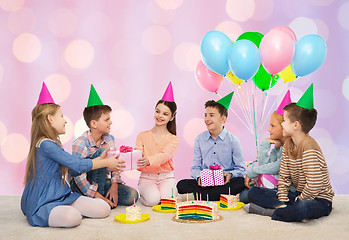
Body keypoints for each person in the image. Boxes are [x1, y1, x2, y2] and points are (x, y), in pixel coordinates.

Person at [21, 83, 124, 227]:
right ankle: (58, 212)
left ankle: (63, 210)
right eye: (61, 116)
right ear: (50, 119)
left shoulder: (54, 142)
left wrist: (98, 161)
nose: (65, 120)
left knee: (103, 209)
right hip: (43, 201)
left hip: (62, 196)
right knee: (73, 218)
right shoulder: (45, 145)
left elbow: (73, 168)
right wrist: (104, 162)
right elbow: (75, 163)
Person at [244, 84, 334, 222]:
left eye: (284, 121)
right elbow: (284, 177)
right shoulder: (288, 146)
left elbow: (314, 184)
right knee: (254, 192)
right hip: (296, 194)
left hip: (318, 198)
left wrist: (302, 199)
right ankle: (286, 209)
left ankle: (272, 212)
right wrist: (283, 197)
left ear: (296, 125)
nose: (282, 124)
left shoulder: (309, 146)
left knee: (303, 207)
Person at [69, 84, 138, 208]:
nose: (111, 122)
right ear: (94, 124)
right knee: (102, 153)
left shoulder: (109, 139)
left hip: (101, 180)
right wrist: (98, 196)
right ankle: (94, 198)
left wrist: (114, 185)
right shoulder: (80, 143)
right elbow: (78, 177)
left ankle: (97, 199)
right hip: (81, 184)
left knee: (132, 195)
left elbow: (116, 164)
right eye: (107, 120)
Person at [177, 92, 246, 201]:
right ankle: (215, 195)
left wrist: (229, 175)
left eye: (211, 115)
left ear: (223, 119)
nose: (206, 119)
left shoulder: (233, 141)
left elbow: (241, 170)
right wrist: (199, 177)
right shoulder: (200, 139)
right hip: (206, 182)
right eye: (205, 115)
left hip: (225, 181)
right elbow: (195, 167)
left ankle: (201, 196)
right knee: (181, 184)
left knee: (240, 183)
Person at [239, 91, 291, 203]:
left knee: (247, 195)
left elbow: (277, 167)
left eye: (273, 126)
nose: (269, 129)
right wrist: (265, 143)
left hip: (288, 191)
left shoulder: (290, 146)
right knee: (244, 194)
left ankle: (271, 207)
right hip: (274, 186)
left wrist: (252, 171)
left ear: (284, 127)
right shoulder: (278, 146)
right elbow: (265, 166)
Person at [135, 82, 180, 206]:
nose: (160, 116)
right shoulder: (142, 135)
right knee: (152, 201)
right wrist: (133, 157)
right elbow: (138, 153)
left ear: (171, 118)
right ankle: (145, 194)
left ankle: (165, 193)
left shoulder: (173, 139)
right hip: (147, 177)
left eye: (165, 114)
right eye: (157, 111)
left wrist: (148, 160)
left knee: (168, 202)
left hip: (166, 177)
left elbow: (165, 155)